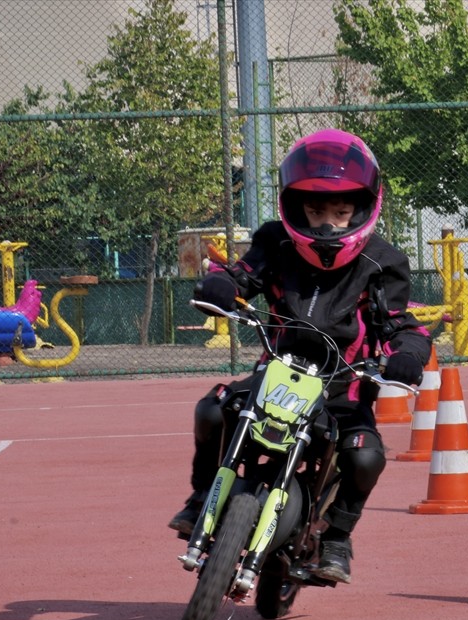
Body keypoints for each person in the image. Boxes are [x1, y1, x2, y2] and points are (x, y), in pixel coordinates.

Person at [169, 128, 432, 584]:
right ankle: (201, 497)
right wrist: (222, 285)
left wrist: (407, 353)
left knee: (365, 456)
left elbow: (399, 323)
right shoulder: (275, 241)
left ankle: (338, 537)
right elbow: (242, 275)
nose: (327, 225)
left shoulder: (384, 262)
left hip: (343, 388)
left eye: (341, 212)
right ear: (294, 205)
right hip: (275, 373)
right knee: (212, 409)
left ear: (364, 207)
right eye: (315, 211)